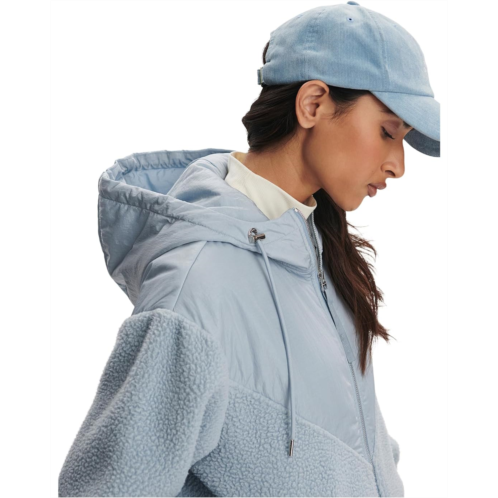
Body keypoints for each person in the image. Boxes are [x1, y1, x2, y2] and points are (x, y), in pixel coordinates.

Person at [58, 2, 440, 497]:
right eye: (388, 132)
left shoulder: (320, 255)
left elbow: (351, 447)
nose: (398, 165)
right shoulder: (197, 286)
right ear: (313, 104)